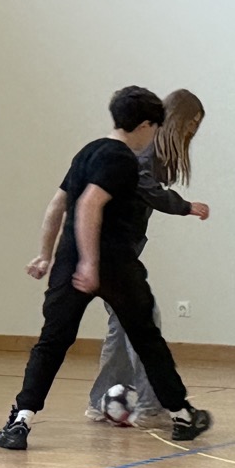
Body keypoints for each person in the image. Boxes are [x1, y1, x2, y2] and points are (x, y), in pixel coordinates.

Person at [0, 86, 215, 451]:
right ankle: (182, 415)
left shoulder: (87, 152)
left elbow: (57, 205)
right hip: (113, 264)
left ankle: (21, 419)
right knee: (147, 339)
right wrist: (90, 262)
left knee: (52, 342)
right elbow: (89, 206)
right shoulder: (125, 160)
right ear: (145, 125)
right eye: (154, 127)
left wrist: (45, 255)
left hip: (68, 262)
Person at [84, 88, 210, 426]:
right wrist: (184, 206)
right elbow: (144, 188)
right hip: (111, 252)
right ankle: (150, 405)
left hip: (119, 250)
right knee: (143, 322)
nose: (193, 130)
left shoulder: (157, 157)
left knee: (121, 327)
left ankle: (100, 401)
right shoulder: (144, 155)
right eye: (191, 122)